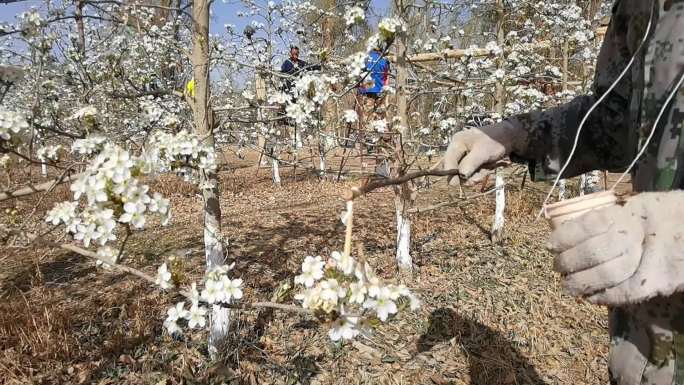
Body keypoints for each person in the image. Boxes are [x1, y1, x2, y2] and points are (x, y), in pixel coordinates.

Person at [440, 1, 684, 384]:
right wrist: (515, 135)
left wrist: (676, 232)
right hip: (650, 355)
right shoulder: (642, 8)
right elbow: (613, 122)